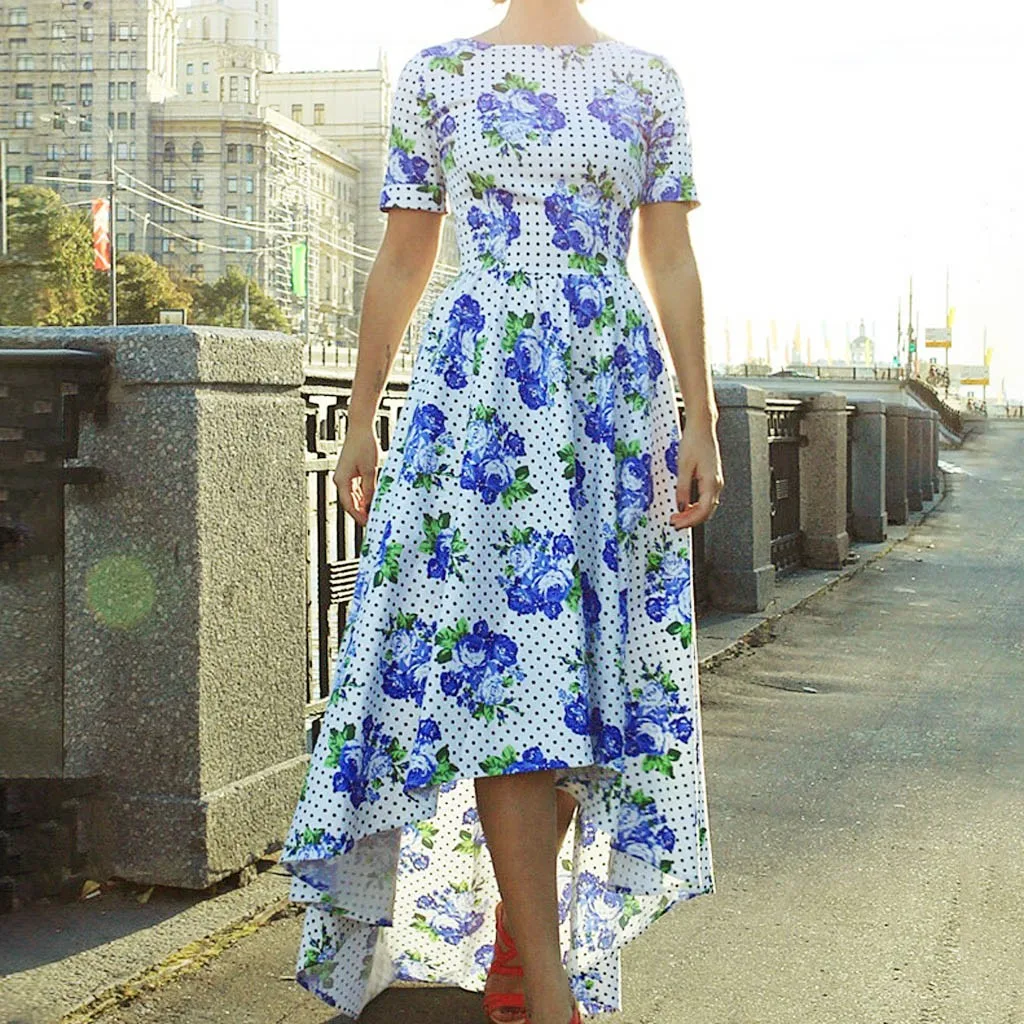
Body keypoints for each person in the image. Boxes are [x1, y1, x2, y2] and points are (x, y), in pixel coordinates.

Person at [280, 1, 723, 1022]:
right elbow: (405, 256)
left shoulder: (649, 78)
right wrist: (361, 418)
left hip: (609, 397)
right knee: (508, 681)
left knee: (594, 678)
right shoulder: (436, 75)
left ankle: (524, 941)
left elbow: (668, 256)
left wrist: (698, 418)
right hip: (478, 395)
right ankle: (548, 991)